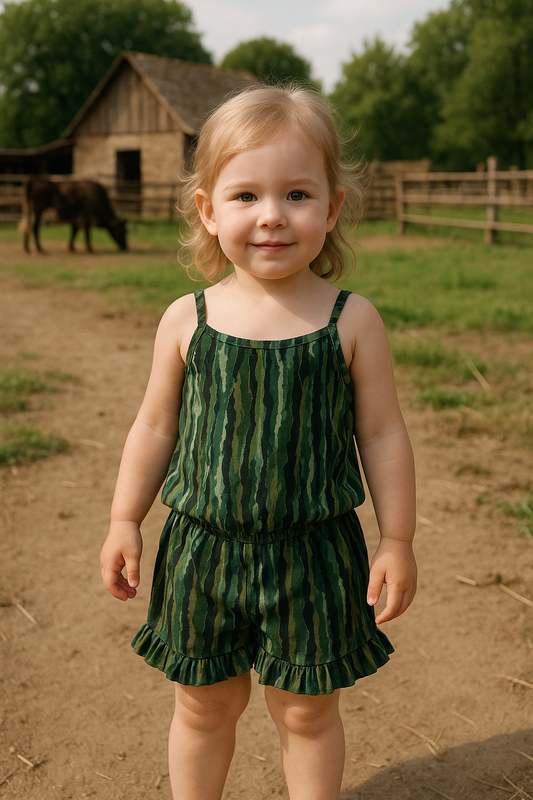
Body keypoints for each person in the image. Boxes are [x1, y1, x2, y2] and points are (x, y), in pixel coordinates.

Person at [100, 83, 417, 800]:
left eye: (297, 194)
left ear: (331, 208)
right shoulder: (186, 319)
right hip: (201, 553)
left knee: (306, 710)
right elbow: (154, 426)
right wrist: (125, 519)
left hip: (314, 553)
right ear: (207, 212)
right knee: (203, 703)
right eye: (245, 196)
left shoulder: (350, 320)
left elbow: (382, 432)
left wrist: (396, 539)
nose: (271, 216)